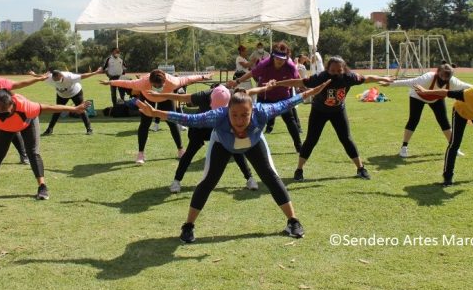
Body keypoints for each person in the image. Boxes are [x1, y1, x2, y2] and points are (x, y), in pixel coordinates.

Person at [136, 80, 330, 242]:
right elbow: (188, 119)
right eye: (234, 115)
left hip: (254, 143)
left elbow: (287, 103)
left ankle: (293, 221)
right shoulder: (217, 116)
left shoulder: (263, 111)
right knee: (208, 181)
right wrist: (156, 113)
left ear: (252, 111)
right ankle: (188, 226)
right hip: (222, 144)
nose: (239, 120)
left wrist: (310, 93)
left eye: (245, 115)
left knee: (271, 177)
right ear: (227, 111)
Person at [0, 89, 91, 200]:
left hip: (27, 124)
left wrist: (74, 109)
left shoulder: (26, 107)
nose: (0, 113)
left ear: (12, 105)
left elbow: (50, 107)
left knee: (33, 153)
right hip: (4, 128)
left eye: (4, 110)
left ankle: (42, 186)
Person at [276, 56, 393, 181]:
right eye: (332, 71)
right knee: (311, 140)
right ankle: (299, 170)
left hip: (338, 111)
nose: (336, 73)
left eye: (339, 70)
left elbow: (367, 78)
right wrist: (278, 84)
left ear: (344, 69)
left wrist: (383, 78)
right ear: (327, 69)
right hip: (319, 111)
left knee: (346, 139)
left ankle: (361, 168)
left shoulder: (349, 77)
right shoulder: (321, 77)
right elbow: (299, 82)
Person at [147, 83, 277, 193]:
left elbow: (250, 91)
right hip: (202, 126)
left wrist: (266, 87)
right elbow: (182, 97)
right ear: (211, 100)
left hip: (223, 125)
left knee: (236, 149)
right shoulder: (203, 96)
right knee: (190, 151)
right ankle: (176, 181)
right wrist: (159, 95)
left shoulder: (233, 95)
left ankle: (249, 178)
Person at [101, 69, 211, 164]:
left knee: (172, 123)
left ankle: (180, 150)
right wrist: (110, 82)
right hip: (147, 98)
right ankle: (140, 154)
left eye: (160, 85)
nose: (157, 87)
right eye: (155, 85)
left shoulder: (172, 81)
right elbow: (126, 83)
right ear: (150, 82)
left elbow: (187, 79)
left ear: (164, 81)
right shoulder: (142, 82)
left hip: (166, 98)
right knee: (144, 124)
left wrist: (203, 77)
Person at [380, 62, 471, 158]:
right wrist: (390, 84)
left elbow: (467, 86)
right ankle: (404, 147)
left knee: (444, 121)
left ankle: (454, 148)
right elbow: (408, 82)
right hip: (417, 96)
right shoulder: (427, 78)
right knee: (414, 120)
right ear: (438, 72)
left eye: (447, 78)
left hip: (436, 98)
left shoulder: (453, 81)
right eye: (442, 77)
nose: (444, 80)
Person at [231, 42, 302, 151]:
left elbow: (298, 79)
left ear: (287, 58)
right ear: (273, 56)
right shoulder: (264, 64)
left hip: (283, 97)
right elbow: (252, 73)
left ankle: (299, 147)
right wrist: (237, 81)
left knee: (290, 120)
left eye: (282, 59)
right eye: (277, 58)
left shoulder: (290, 66)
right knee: (256, 122)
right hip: (265, 96)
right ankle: (246, 144)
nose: (280, 61)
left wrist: (303, 87)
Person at [413, 83, 473, 186]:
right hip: (461, 112)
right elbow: (446, 92)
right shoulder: (472, 93)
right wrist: (426, 92)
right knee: (454, 143)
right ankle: (447, 177)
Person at [38, 67, 103, 136]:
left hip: (75, 93)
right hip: (62, 95)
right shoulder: (49, 78)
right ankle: (49, 130)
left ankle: (89, 129)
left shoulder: (70, 77)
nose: (57, 82)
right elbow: (40, 77)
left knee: (81, 110)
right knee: (57, 111)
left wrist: (95, 72)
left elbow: (83, 76)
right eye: (55, 80)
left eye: (58, 80)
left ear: (61, 76)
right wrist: (33, 74)